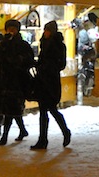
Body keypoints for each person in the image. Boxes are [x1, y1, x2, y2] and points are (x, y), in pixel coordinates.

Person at [0, 19, 35, 146]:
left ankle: (5, 136)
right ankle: (22, 130)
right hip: (3, 80)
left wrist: (17, 61)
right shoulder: (3, 43)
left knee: (11, 109)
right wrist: (3, 43)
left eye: (13, 28)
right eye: (9, 28)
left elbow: (29, 60)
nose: (11, 31)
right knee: (10, 109)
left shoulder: (23, 44)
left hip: (17, 80)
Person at [31, 21, 71, 150]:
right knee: (43, 111)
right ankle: (42, 139)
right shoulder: (44, 44)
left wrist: (47, 66)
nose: (45, 33)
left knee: (52, 109)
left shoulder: (59, 46)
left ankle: (65, 131)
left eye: (47, 30)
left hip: (51, 81)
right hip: (42, 81)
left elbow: (61, 65)